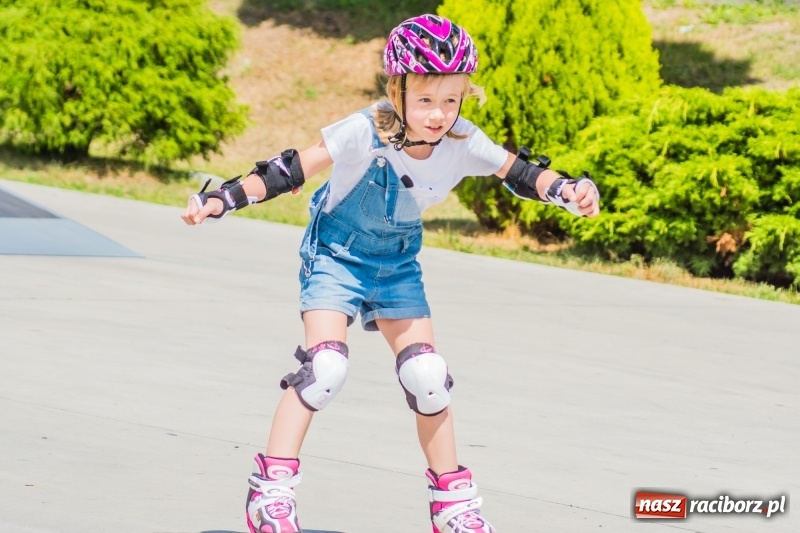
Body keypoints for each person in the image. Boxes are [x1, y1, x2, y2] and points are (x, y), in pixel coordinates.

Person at [182, 13, 600, 533]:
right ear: (396, 91)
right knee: (324, 369)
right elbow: (291, 167)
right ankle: (270, 493)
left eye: (451, 100)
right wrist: (224, 198)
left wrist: (568, 191)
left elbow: (522, 172)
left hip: (397, 263)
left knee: (428, 379)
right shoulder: (363, 131)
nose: (438, 114)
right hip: (336, 254)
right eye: (425, 100)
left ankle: (453, 506)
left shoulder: (464, 140)